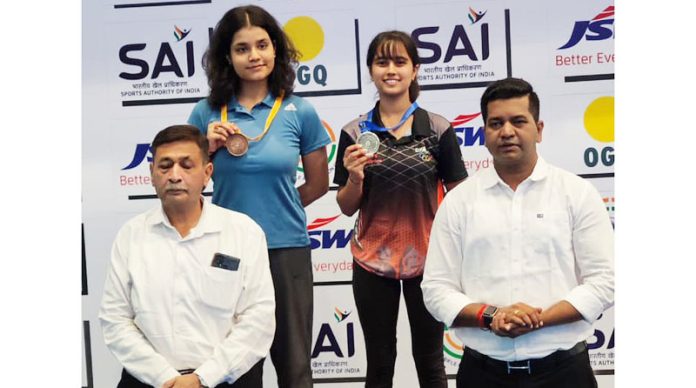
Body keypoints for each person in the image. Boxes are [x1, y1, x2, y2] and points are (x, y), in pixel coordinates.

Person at [422, 77, 614, 388]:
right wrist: (491, 316)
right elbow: (435, 289)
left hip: (564, 373)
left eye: (518, 121)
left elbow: (605, 281)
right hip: (482, 375)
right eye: (496, 123)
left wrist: (538, 319)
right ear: (484, 133)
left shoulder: (576, 193)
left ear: (538, 130)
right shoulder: (459, 201)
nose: (507, 131)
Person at [187, 5, 330, 388]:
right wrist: (206, 150)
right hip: (225, 252)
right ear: (226, 58)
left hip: (286, 247)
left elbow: (318, 184)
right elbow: (185, 187)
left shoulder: (300, 111)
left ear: (276, 50)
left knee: (295, 363)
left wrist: (277, 209)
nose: (254, 56)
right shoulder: (205, 114)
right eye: (242, 48)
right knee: (233, 364)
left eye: (262, 45)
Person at [333, 31, 468, 388]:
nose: (390, 70)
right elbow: (346, 207)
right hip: (371, 262)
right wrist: (356, 177)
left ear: (414, 69)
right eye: (382, 62)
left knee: (430, 362)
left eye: (399, 62)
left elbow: (459, 198)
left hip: (429, 263)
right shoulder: (354, 132)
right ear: (371, 71)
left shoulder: (437, 128)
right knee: (379, 363)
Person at [99, 125, 275, 388]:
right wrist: (165, 377)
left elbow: (258, 318)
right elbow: (115, 319)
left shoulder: (244, 232)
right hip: (152, 380)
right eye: (165, 166)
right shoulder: (132, 235)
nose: (174, 175)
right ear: (151, 174)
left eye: (186, 165)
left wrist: (203, 378)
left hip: (226, 379)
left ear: (207, 174)